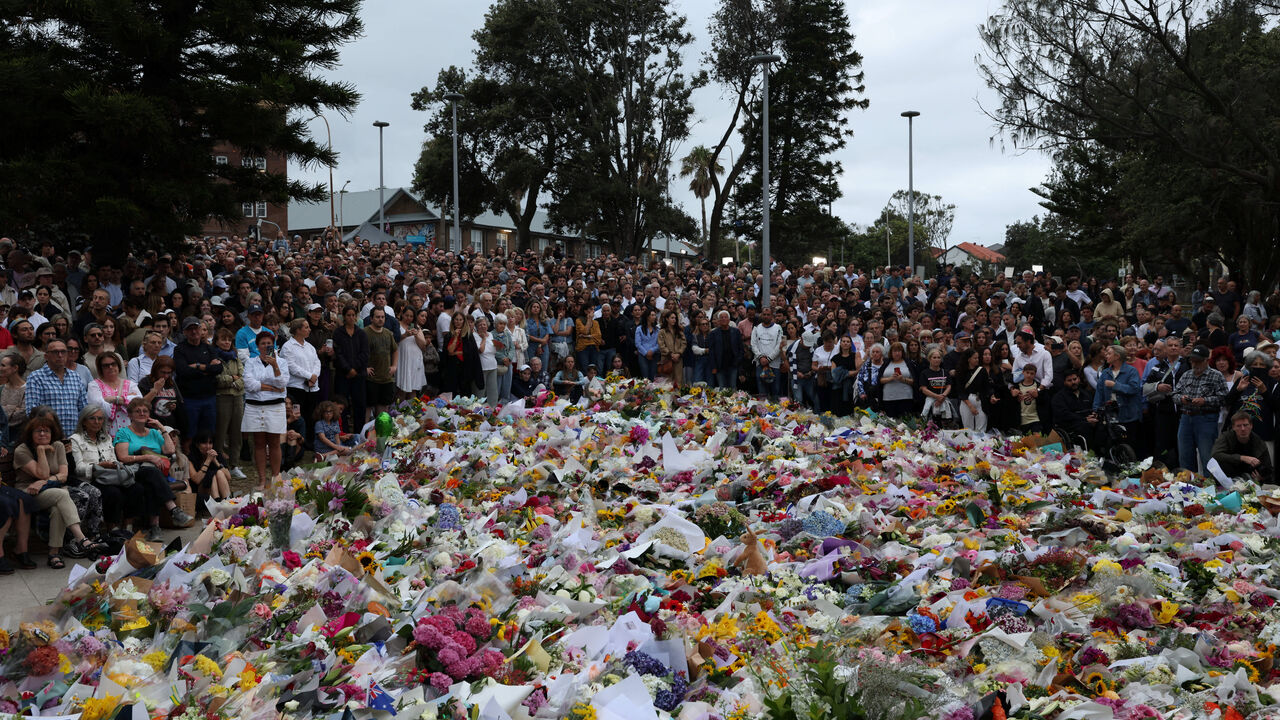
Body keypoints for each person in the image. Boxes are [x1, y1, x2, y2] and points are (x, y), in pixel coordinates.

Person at [15, 415, 107, 567]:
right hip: (28, 492)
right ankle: (82, 539)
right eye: (39, 431)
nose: (43, 434)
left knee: (58, 507)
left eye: (46, 431)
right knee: (63, 494)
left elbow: (63, 476)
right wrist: (41, 451)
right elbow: (42, 473)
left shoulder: (57, 446)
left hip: (52, 491)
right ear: (31, 434)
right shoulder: (22, 450)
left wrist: (44, 482)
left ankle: (54, 554)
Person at [114, 397, 193, 540]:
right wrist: (148, 457)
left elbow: (170, 451)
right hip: (132, 471)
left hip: (154, 474)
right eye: (137, 411)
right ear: (130, 415)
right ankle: (172, 512)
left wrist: (162, 428)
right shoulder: (123, 432)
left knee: (152, 479)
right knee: (151, 472)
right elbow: (123, 458)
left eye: (145, 411)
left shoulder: (155, 433)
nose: (142, 413)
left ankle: (155, 529)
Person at [70, 405, 129, 532]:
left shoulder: (106, 437)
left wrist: (113, 464)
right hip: (89, 480)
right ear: (84, 421)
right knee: (114, 493)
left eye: (100, 419)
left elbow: (114, 459)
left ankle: (128, 528)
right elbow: (78, 468)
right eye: (92, 418)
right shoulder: (76, 439)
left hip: (108, 477)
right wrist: (99, 467)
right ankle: (112, 528)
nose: (97, 422)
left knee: (135, 488)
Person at [243, 331, 289, 489]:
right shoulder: (250, 362)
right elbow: (249, 385)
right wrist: (271, 387)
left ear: (273, 345)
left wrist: (275, 366)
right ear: (257, 346)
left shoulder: (281, 362)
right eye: (262, 343)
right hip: (254, 406)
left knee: (275, 442)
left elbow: (282, 384)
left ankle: (276, 478)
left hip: (275, 406)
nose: (266, 346)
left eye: (269, 343)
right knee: (259, 442)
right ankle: (262, 479)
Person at [1173, 344, 1228, 476]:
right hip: (1185, 418)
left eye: (1198, 361)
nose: (1194, 364)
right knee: (1185, 455)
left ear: (1206, 360)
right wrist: (1182, 399)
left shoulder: (1216, 375)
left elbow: (1224, 398)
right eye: (1192, 360)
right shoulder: (1186, 375)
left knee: (1207, 457)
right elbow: (1175, 394)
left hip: (1206, 419)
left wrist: (1205, 401)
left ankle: (1210, 488)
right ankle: (1187, 487)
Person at [172, 316, 222, 449]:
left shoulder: (209, 348)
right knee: (189, 434)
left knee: (209, 433)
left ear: (201, 330)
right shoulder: (180, 349)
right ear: (184, 332)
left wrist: (198, 366)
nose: (194, 332)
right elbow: (183, 371)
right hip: (189, 399)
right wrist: (208, 369)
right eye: (190, 329)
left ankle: (208, 460)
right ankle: (189, 462)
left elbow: (218, 368)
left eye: (196, 328)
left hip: (209, 398)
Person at [24, 338, 87, 438]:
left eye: (63, 352)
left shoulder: (75, 377)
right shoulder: (36, 377)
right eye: (55, 352)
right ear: (46, 356)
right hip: (48, 438)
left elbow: (83, 409)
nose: (60, 355)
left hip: (74, 438)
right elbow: (32, 412)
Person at [280, 317, 321, 445]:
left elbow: (317, 362)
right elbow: (291, 366)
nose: (309, 329)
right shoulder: (288, 347)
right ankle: (295, 443)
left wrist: (314, 376)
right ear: (298, 330)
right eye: (306, 327)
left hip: (312, 387)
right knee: (297, 415)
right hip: (296, 387)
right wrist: (309, 376)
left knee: (311, 415)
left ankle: (308, 441)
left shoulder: (310, 347)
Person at [1093, 345, 1143, 442]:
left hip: (1128, 415)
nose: (1106, 355)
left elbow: (1134, 389)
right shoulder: (1105, 373)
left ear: (1117, 356)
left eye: (1109, 353)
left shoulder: (1131, 371)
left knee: (1129, 443)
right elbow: (1099, 393)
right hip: (1110, 415)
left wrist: (1115, 385)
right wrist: (1096, 410)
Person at [332, 304, 369, 429]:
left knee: (360, 404)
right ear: (343, 317)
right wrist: (348, 369)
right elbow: (338, 353)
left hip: (359, 374)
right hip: (343, 374)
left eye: (353, 315)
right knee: (342, 405)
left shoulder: (361, 333)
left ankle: (359, 432)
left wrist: (355, 369)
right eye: (348, 315)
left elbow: (365, 353)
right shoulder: (338, 333)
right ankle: (343, 431)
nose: (351, 318)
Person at [1211, 412, 1273, 482]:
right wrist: (1241, 458)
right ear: (1233, 427)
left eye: (1245, 425)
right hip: (1229, 474)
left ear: (1251, 426)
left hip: (1251, 475)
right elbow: (1215, 454)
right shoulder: (1226, 437)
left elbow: (1268, 467)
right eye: (1239, 426)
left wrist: (1262, 478)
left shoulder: (1258, 442)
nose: (1243, 429)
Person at [1052, 370, 1099, 448]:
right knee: (1085, 427)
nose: (1073, 382)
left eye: (1075, 379)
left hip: (1089, 421)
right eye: (1069, 380)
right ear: (1064, 382)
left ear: (1079, 379)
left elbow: (1092, 408)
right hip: (1070, 424)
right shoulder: (1058, 398)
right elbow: (1063, 415)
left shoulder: (1087, 394)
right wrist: (1084, 419)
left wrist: (1094, 415)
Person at [365, 307, 398, 417]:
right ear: (371, 318)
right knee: (368, 406)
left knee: (383, 407)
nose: (380, 319)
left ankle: (380, 431)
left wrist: (394, 366)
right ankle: (365, 432)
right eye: (377, 317)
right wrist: (364, 368)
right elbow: (358, 352)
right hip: (371, 378)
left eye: (382, 317)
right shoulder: (364, 333)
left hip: (386, 378)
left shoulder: (388, 333)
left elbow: (395, 349)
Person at [440, 311, 480, 398]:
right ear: (453, 321)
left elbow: (471, 353)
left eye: (460, 320)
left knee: (465, 394)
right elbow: (449, 351)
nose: (458, 322)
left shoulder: (468, 335)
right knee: (452, 393)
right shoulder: (448, 335)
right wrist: (455, 337)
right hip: (452, 368)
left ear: (464, 321)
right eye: (456, 319)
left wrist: (456, 352)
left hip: (465, 368)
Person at [138, 356, 182, 433]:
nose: (166, 376)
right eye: (163, 372)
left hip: (169, 426)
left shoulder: (171, 382)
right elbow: (139, 405)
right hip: (150, 427)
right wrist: (155, 390)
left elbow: (179, 402)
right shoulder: (145, 382)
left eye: (169, 373)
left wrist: (174, 406)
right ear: (155, 370)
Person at [751, 307, 783, 400]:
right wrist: (761, 357)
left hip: (774, 364)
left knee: (775, 391)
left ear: (772, 316)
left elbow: (779, 345)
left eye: (768, 314)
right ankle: (763, 412)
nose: (766, 316)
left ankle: (776, 412)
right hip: (760, 364)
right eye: (764, 314)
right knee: (762, 393)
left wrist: (769, 359)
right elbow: (753, 344)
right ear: (761, 315)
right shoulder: (756, 328)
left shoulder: (778, 328)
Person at [395, 311, 429, 399]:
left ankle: (412, 411)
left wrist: (416, 335)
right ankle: (398, 410)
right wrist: (405, 335)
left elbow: (423, 345)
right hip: (403, 359)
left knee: (413, 387)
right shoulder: (397, 325)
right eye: (407, 315)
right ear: (402, 314)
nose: (409, 318)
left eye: (411, 316)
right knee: (401, 388)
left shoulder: (416, 327)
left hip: (414, 359)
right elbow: (394, 341)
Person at [955, 348, 990, 432]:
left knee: (981, 427)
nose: (977, 360)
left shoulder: (982, 370)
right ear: (968, 359)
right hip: (966, 400)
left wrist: (991, 396)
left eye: (978, 358)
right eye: (975, 358)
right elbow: (960, 390)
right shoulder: (960, 371)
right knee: (968, 428)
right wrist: (970, 405)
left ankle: (981, 444)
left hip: (980, 399)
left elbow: (986, 387)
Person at [879, 341, 915, 418]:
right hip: (888, 398)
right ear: (891, 352)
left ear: (902, 352)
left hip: (906, 398)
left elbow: (914, 381)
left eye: (899, 351)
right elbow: (880, 380)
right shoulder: (886, 363)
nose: (897, 353)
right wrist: (890, 378)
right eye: (895, 351)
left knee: (905, 423)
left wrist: (903, 379)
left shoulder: (908, 363)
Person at [472, 314, 499, 405]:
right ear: (476, 327)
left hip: (493, 366)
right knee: (480, 391)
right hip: (482, 367)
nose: (482, 326)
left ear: (487, 325)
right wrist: (483, 338)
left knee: (493, 390)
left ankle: (493, 409)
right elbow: (481, 350)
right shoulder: (474, 336)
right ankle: (476, 409)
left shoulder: (491, 335)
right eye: (480, 325)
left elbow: (494, 350)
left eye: (484, 324)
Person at [1012, 364, 1045, 434]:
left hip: (1035, 419)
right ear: (1023, 372)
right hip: (1022, 420)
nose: (1029, 375)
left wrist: (1037, 396)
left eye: (1032, 373)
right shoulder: (1017, 386)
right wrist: (1015, 397)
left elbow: (1044, 402)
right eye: (1027, 372)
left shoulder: (1038, 386)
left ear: (1035, 374)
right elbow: (1013, 404)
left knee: (1037, 439)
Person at [658, 309, 687, 387]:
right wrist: (670, 354)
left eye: (675, 318)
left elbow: (684, 343)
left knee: (678, 381)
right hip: (667, 359)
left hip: (678, 359)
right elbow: (661, 345)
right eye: (672, 318)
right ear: (667, 319)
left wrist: (678, 353)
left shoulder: (679, 331)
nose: (674, 320)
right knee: (667, 381)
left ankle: (678, 397)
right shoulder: (662, 331)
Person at [492, 313, 515, 403]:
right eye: (500, 323)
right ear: (496, 324)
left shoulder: (507, 334)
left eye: (504, 324)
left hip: (508, 364)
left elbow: (512, 348)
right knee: (497, 386)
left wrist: (509, 358)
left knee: (507, 386)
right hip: (497, 364)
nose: (502, 326)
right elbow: (492, 349)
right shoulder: (491, 334)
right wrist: (503, 358)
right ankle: (495, 405)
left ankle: (505, 404)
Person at [634, 308, 660, 381]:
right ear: (647, 317)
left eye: (655, 315)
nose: (654, 317)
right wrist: (646, 353)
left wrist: (652, 351)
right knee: (645, 377)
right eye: (652, 315)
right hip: (643, 355)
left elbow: (659, 343)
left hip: (654, 355)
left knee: (653, 376)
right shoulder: (639, 329)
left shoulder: (657, 329)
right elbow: (638, 344)